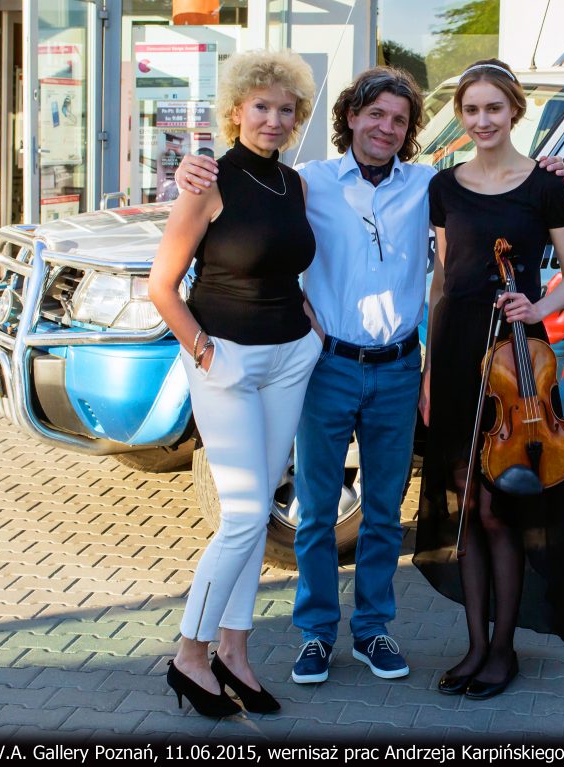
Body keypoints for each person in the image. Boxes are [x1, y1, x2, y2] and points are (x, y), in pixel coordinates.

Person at [175, 67, 564, 686]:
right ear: (351, 118)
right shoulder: (307, 183)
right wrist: (191, 171)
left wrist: (549, 173)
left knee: (385, 511)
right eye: (374, 114)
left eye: (399, 119)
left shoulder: (431, 187)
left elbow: (498, 196)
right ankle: (314, 634)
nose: (386, 127)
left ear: (410, 131)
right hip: (326, 366)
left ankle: (373, 630)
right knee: (315, 513)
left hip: (397, 369)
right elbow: (246, 205)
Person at [149, 49, 320, 717]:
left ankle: (235, 652)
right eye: (261, 107)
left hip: (290, 358)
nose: (273, 119)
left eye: (285, 109)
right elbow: (162, 287)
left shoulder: (296, 183)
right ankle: (190, 654)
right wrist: (202, 350)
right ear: (236, 110)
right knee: (248, 514)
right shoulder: (207, 179)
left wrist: (310, 324)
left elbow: (289, 264)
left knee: (250, 524)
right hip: (227, 360)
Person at [413, 58, 564, 700]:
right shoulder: (444, 187)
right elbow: (441, 279)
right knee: (463, 506)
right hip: (458, 354)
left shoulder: (543, 187)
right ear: (459, 117)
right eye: (471, 110)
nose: (482, 120)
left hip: (518, 366)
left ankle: (504, 648)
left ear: (514, 111)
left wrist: (536, 309)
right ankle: (475, 646)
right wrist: (431, 370)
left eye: (493, 108)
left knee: (498, 507)